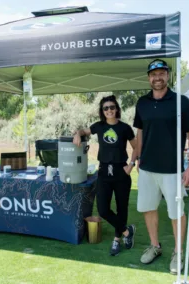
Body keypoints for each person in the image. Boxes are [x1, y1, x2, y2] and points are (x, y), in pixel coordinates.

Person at [131, 59, 189, 274]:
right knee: (148, 208)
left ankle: (178, 252)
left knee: (176, 212)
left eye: (161, 73)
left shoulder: (182, 103)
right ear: (148, 77)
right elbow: (140, 132)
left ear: (168, 75)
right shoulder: (142, 103)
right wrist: (138, 158)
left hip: (173, 169)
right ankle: (155, 246)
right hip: (147, 168)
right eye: (153, 74)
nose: (157, 78)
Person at [73, 95, 138, 256]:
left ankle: (117, 240)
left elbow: (137, 147)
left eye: (112, 107)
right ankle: (127, 232)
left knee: (122, 208)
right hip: (103, 173)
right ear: (102, 111)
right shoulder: (99, 126)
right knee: (103, 210)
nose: (109, 110)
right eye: (106, 108)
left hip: (121, 172)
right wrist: (77, 134)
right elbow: (83, 131)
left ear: (117, 109)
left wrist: (131, 165)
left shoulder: (124, 128)